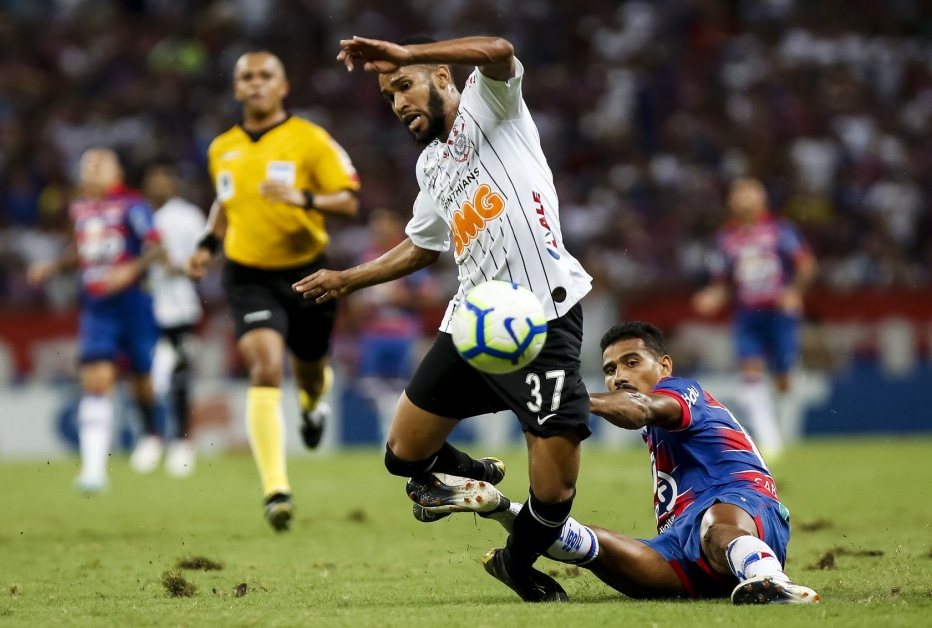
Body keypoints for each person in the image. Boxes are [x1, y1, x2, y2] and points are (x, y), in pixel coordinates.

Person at [294, 35, 593, 602]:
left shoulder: (492, 105)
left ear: (441, 78)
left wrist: (407, 51)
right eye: (388, 96)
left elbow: (501, 48)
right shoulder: (431, 165)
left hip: (543, 317)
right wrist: (345, 279)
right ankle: (479, 482)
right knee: (402, 456)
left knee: (554, 494)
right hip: (474, 324)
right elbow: (421, 247)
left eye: (404, 85)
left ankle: (516, 562)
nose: (398, 102)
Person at [422, 321, 820, 605]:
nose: (618, 376)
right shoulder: (657, 422)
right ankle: (495, 504)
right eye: (611, 370)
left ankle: (771, 581)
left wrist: (565, 396)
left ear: (663, 366)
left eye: (632, 362)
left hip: (742, 506)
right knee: (588, 544)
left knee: (716, 526)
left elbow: (638, 409)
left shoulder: (682, 392)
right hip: (680, 545)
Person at [186, 51, 360, 531]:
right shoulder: (222, 146)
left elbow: (347, 200)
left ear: (283, 87)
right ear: (237, 88)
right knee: (264, 366)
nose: (256, 84)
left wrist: (303, 197)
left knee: (309, 372)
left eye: (266, 76)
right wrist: (207, 242)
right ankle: (276, 490)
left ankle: (311, 405)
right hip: (248, 276)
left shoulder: (310, 139)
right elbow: (225, 201)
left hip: (307, 273)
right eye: (247, 77)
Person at [27, 147, 165, 492]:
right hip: (97, 305)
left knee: (141, 379)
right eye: (87, 164)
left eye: (100, 165)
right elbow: (81, 248)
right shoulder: (80, 208)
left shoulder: (133, 205)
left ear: (116, 172)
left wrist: (128, 270)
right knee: (96, 378)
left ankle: (152, 432)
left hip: (134, 302)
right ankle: (93, 471)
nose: (92, 170)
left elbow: (156, 248)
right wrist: (55, 266)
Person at [692, 178, 817, 457]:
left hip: (780, 313)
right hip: (747, 315)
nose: (743, 198)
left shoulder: (780, 230)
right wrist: (713, 296)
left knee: (784, 380)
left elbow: (806, 264)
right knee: (750, 373)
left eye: (749, 192)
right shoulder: (725, 238)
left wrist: (794, 292)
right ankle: (769, 441)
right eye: (738, 193)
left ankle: (782, 427)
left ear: (762, 198)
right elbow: (722, 283)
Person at [347, 208, 441, 442]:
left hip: (403, 335)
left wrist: (398, 298)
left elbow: (430, 295)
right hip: (373, 337)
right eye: (375, 225)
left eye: (384, 224)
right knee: (373, 393)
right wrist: (361, 305)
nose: (379, 230)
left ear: (396, 226)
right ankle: (387, 437)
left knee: (405, 391)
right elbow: (353, 303)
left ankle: (403, 439)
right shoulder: (365, 258)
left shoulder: (408, 256)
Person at [140, 161, 207, 477]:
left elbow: (207, 260)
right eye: (153, 179)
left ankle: (182, 444)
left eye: (163, 178)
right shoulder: (136, 214)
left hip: (179, 307)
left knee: (179, 377)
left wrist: (175, 265)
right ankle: (151, 437)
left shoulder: (188, 216)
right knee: (143, 376)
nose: (158, 185)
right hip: (141, 307)